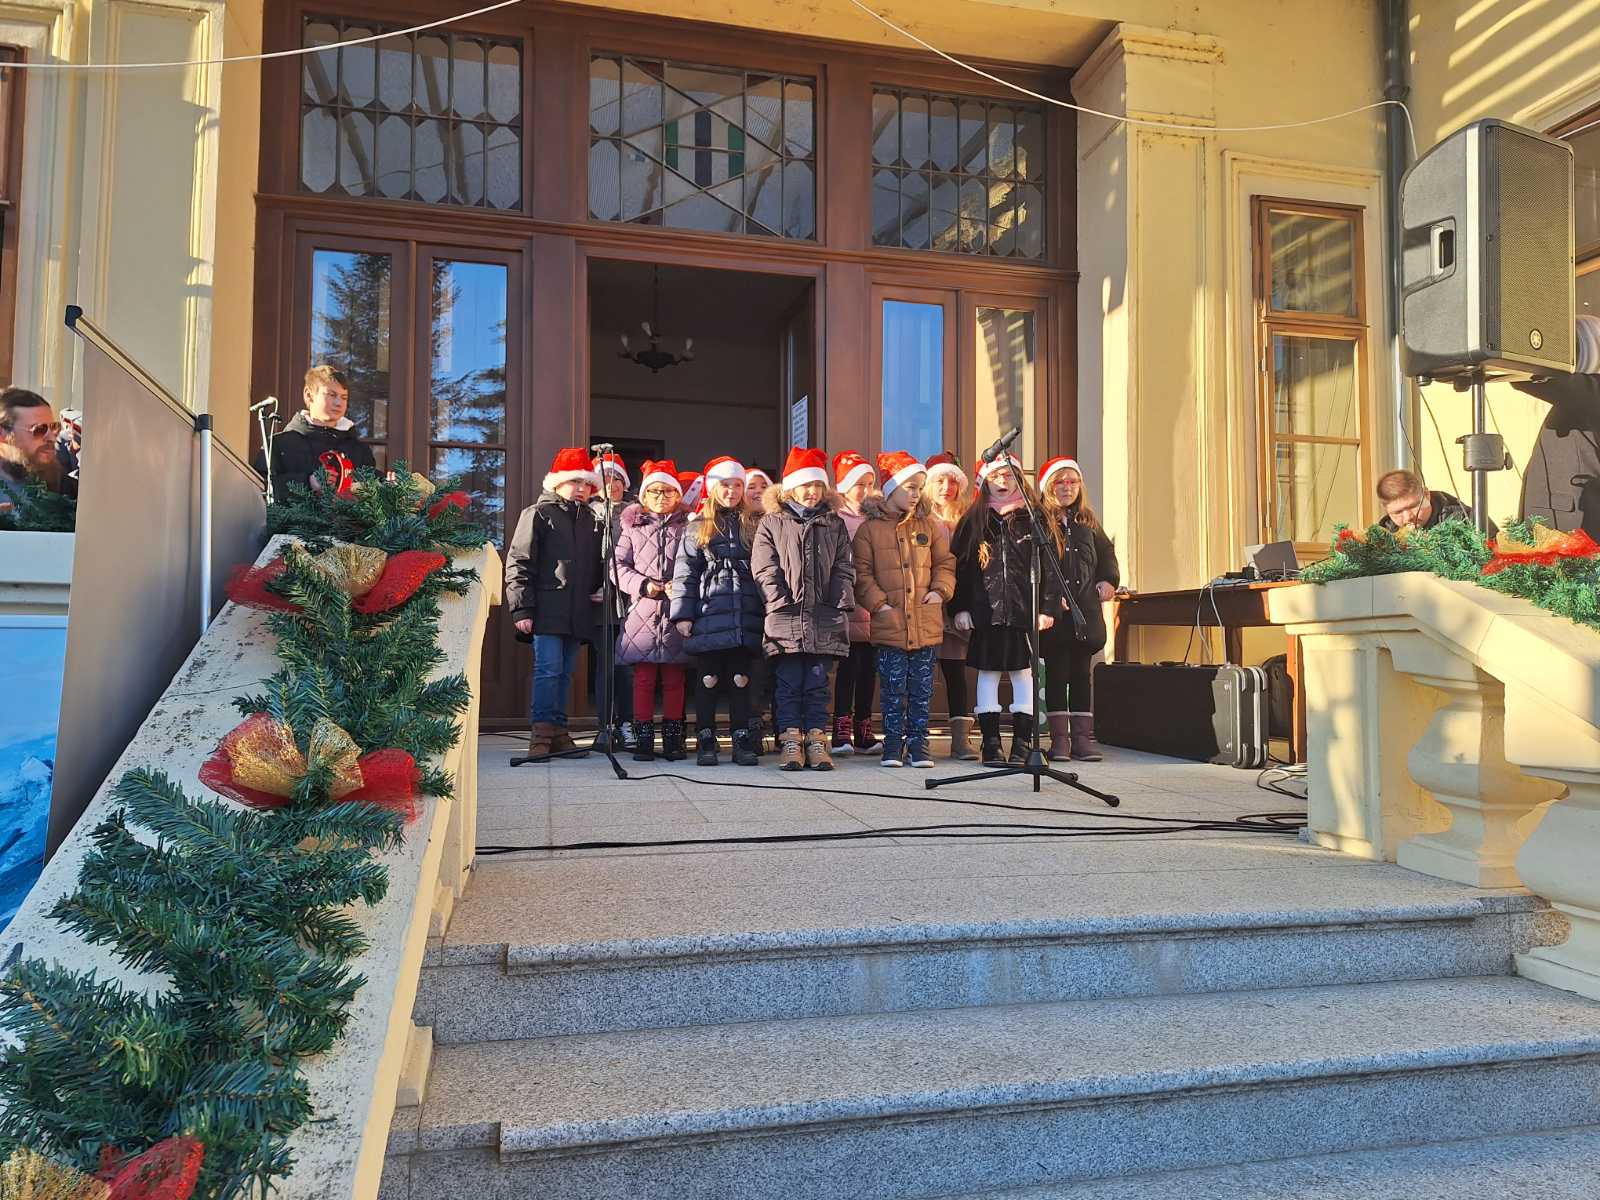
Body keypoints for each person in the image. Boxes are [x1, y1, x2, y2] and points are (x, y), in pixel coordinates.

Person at [952, 453, 1060, 766]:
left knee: (1022, 674)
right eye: (997, 476)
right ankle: (991, 742)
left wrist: (1048, 607)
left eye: (1009, 476)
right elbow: (958, 569)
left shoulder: (1035, 518)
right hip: (985, 612)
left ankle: (1023, 742)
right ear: (985, 480)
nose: (1003, 482)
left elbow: (1051, 569)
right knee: (987, 674)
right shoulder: (973, 521)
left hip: (1023, 611)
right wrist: (959, 608)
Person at [753, 447, 856, 772]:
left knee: (816, 683)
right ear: (790, 488)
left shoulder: (834, 524)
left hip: (824, 616)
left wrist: (839, 597)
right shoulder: (772, 522)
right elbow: (764, 567)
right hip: (784, 616)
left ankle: (815, 740)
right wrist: (778, 599)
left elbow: (844, 564)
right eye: (805, 485)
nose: (811, 492)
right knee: (788, 683)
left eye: (817, 486)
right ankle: (791, 741)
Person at [853, 452, 955, 768]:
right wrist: (879, 604)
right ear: (892, 488)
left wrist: (940, 591)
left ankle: (919, 744)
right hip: (890, 623)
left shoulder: (930, 525)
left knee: (922, 688)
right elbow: (862, 572)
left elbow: (945, 563)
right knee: (893, 689)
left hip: (925, 623)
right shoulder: (870, 530)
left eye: (918, 487)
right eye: (909, 487)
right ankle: (893, 743)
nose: (914, 494)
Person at [505, 447, 604, 761]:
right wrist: (521, 608)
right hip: (546, 607)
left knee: (564, 673)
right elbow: (519, 561)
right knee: (547, 670)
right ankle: (541, 735)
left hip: (576, 611)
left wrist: (599, 587)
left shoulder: (591, 519)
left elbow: (596, 564)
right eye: (573, 482)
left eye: (586, 483)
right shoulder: (538, 513)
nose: (580, 488)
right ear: (557, 483)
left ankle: (560, 734)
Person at [672, 456, 765, 767]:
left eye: (737, 485)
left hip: (744, 611)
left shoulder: (753, 524)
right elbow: (685, 572)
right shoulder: (698, 526)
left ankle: (741, 737)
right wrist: (683, 614)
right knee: (709, 677)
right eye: (725, 485)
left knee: (741, 677)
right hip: (709, 610)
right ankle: (706, 737)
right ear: (713, 488)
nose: (732, 491)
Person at [1038, 456, 1120, 762]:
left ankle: (1082, 739)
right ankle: (1060, 740)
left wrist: (1109, 580)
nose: (1067, 488)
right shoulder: (1041, 521)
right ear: (1049, 486)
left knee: (1082, 675)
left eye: (1072, 482)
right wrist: (1049, 597)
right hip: (1057, 615)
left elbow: (1106, 555)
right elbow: (1038, 565)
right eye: (1060, 482)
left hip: (1085, 613)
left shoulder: (1088, 522)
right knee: (1057, 674)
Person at [613, 461, 691, 763]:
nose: (661, 496)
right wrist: (645, 585)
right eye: (655, 491)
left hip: (676, 610)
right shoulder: (632, 527)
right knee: (643, 679)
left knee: (674, 679)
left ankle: (674, 737)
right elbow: (617, 567)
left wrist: (680, 586)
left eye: (668, 491)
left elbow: (696, 563)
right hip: (643, 611)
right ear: (644, 496)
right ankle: (644, 735)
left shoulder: (688, 526)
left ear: (678, 494)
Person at [830, 450, 882, 756]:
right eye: (857, 484)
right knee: (847, 668)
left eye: (868, 483)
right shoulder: (834, 517)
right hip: (846, 602)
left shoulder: (877, 516)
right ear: (843, 486)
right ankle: (841, 728)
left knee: (869, 669)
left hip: (872, 602)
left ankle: (865, 725)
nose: (863, 490)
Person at [926, 451, 976, 760]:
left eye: (952, 481)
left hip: (956, 605)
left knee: (956, 674)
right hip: (926, 605)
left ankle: (961, 739)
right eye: (939, 481)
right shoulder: (919, 517)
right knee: (919, 673)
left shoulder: (968, 519)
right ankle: (914, 734)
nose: (946, 487)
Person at [266, 365, 377, 501]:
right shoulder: (279, 444)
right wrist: (308, 482)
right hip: (294, 522)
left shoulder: (359, 450)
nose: (339, 403)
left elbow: (371, 493)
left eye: (344, 397)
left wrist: (389, 486)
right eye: (332, 395)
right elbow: (261, 490)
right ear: (309, 395)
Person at [589, 451, 635, 752]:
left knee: (627, 667)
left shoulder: (635, 513)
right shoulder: (587, 513)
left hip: (632, 599)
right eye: (607, 478)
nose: (613, 484)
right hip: (599, 599)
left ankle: (627, 724)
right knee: (605, 663)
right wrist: (596, 585)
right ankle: (604, 726)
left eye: (618, 479)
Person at [1, 387, 73, 507]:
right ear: (2, 434)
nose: (52, 438)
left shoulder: (61, 482)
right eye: (39, 429)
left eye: (54, 427)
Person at [1376, 469, 1493, 535]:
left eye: (1413, 506)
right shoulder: (1382, 536)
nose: (1408, 518)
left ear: (1426, 494)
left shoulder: (1469, 521)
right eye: (1397, 513)